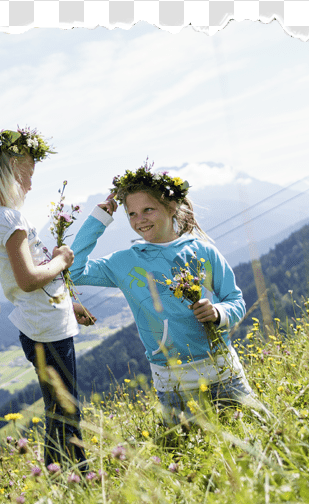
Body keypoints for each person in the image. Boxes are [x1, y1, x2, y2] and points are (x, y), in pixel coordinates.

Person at [69, 161, 265, 427]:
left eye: (148, 209)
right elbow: (75, 271)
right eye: (132, 214)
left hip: (222, 371)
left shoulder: (203, 251)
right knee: (186, 456)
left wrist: (219, 312)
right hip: (171, 383)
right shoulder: (123, 262)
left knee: (258, 430)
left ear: (171, 207)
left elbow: (236, 301)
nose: (140, 220)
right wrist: (99, 219)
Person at [0, 122, 89, 471]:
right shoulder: (9, 218)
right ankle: (72, 476)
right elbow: (28, 279)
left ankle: (66, 475)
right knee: (65, 408)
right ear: (4, 175)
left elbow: (30, 281)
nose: (30, 184)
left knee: (62, 406)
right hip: (46, 328)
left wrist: (68, 305)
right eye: (25, 175)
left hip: (43, 322)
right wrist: (61, 260)